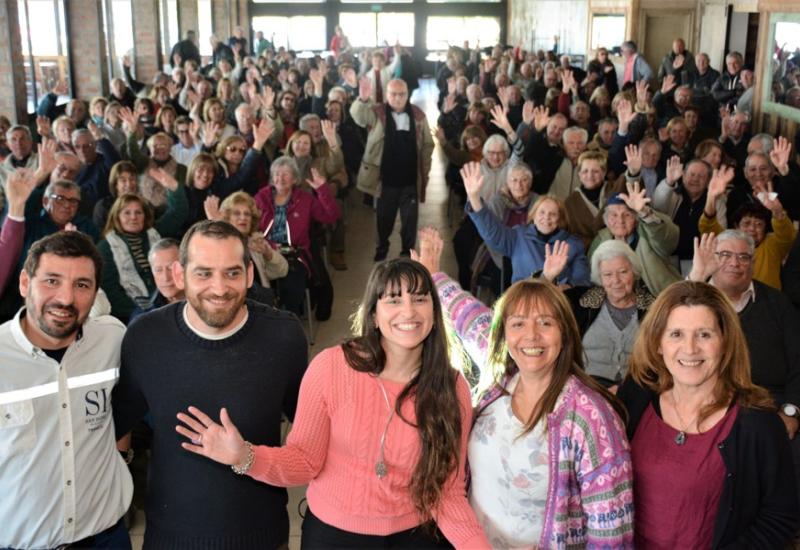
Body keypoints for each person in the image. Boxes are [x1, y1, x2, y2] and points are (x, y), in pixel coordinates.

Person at [174, 257, 491, 548]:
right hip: (334, 537)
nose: (408, 311)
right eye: (393, 299)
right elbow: (304, 461)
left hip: (416, 537)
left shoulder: (451, 387)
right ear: (374, 316)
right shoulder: (331, 368)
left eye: (420, 299)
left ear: (434, 315)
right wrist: (244, 456)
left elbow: (447, 491)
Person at [411, 227, 634, 548]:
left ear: (566, 333)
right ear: (504, 334)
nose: (530, 336)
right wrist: (434, 276)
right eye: (518, 323)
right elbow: (468, 315)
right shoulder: (502, 372)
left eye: (545, 322)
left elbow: (612, 536)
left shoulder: (592, 418)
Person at [113, 220, 307, 548]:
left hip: (261, 537)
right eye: (203, 273)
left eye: (232, 273)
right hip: (170, 538)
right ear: (179, 274)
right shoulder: (145, 337)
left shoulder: (284, 336)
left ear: (248, 273)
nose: (219, 289)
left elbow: (309, 441)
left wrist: (246, 456)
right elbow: (116, 423)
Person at [617, 280, 799, 548]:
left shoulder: (757, 423)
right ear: (658, 343)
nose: (690, 349)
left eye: (704, 334)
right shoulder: (636, 399)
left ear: (725, 342)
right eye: (676, 334)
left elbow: (780, 517)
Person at [0, 231, 133, 549]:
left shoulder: (113, 338)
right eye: (51, 281)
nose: (66, 298)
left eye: (81, 285)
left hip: (106, 537)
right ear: (24, 283)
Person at [463, 162, 590, 287]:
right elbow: (491, 230)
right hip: (523, 302)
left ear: (560, 219)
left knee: (597, 295)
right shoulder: (519, 236)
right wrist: (474, 197)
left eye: (553, 214)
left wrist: (568, 287)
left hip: (558, 303)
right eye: (541, 213)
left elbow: (582, 283)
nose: (546, 217)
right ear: (533, 216)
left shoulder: (573, 244)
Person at [351, 78, 434, 261]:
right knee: (383, 220)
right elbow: (358, 116)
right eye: (393, 94)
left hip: (410, 180)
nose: (397, 98)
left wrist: (424, 170)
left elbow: (428, 144)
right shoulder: (377, 112)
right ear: (387, 94)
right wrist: (363, 100)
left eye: (402, 94)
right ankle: (382, 248)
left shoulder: (418, 115)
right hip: (385, 180)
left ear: (407, 95)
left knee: (410, 222)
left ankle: (407, 253)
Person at [97, 168, 188, 323]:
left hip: (168, 304)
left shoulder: (155, 233)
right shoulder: (105, 248)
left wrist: (173, 186)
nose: (133, 217)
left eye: (138, 213)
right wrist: (143, 311)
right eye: (127, 213)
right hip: (130, 316)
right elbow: (110, 291)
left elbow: (179, 212)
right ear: (116, 216)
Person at [254, 157, 340, 318]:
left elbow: (331, 215)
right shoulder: (261, 198)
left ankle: (288, 320)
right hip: (264, 250)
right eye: (277, 174)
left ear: (294, 179)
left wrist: (322, 190)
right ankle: (264, 319)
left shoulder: (305, 199)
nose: (281, 178)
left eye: (286, 174)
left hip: (293, 254)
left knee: (292, 285)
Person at [589, 180, 681, 295]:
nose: (620, 221)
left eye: (627, 215)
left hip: (657, 299)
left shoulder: (649, 232)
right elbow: (594, 278)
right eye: (614, 215)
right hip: (619, 301)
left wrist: (644, 212)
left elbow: (668, 239)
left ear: (636, 218)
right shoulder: (600, 241)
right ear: (606, 220)